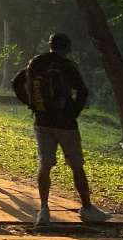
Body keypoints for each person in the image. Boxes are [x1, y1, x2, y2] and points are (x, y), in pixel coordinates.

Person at [22, 33, 111, 225]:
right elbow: (83, 91)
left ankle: (44, 209)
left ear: (50, 45)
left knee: (45, 165)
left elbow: (17, 83)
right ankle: (87, 208)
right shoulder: (68, 66)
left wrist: (33, 105)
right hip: (66, 124)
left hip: (42, 121)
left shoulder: (36, 63)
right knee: (76, 166)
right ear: (67, 48)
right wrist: (73, 112)